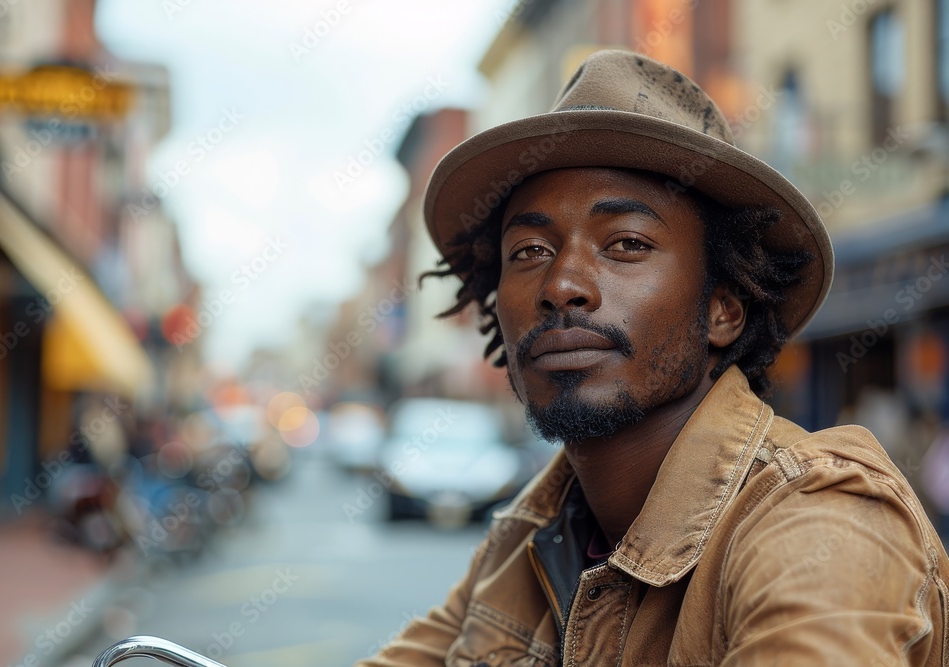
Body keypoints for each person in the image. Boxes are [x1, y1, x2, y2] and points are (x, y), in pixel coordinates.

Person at [355, 50, 949, 666]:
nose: (562, 285)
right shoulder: (529, 537)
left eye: (627, 244)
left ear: (723, 308)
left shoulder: (820, 517)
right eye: (529, 250)